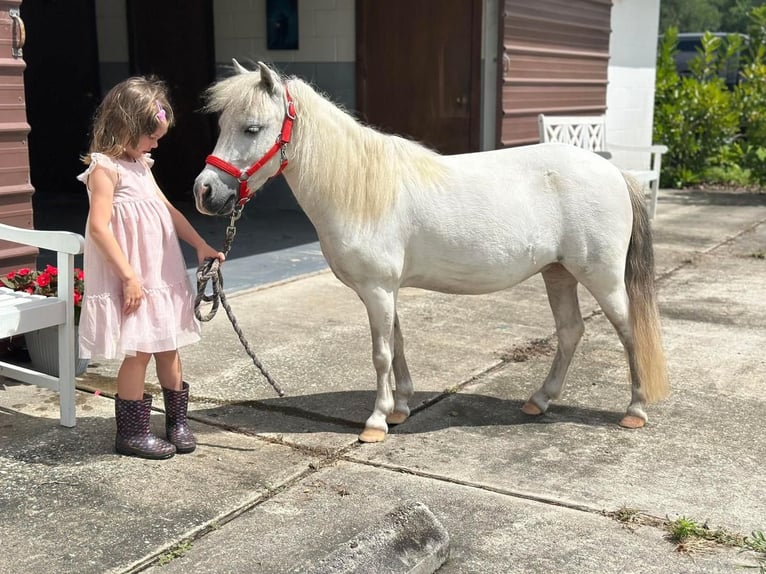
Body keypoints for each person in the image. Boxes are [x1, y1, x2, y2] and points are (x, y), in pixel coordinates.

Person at [76, 77, 224, 460]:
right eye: (151, 137)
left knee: (169, 346)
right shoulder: (104, 169)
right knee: (139, 350)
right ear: (126, 127)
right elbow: (98, 227)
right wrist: (127, 276)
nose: (156, 144)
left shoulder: (142, 164)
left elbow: (169, 211)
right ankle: (132, 433)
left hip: (161, 272)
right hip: (136, 275)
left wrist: (201, 245)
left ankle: (178, 422)